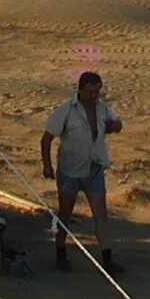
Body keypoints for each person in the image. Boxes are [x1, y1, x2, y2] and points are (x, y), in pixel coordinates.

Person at [40, 71, 124, 273]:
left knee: (101, 214)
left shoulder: (102, 108)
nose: (94, 96)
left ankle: (107, 259)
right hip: (70, 169)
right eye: (91, 92)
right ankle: (61, 252)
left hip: (93, 167)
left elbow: (116, 124)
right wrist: (47, 165)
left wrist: (115, 126)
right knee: (65, 213)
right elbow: (46, 139)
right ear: (81, 90)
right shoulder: (66, 110)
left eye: (97, 92)